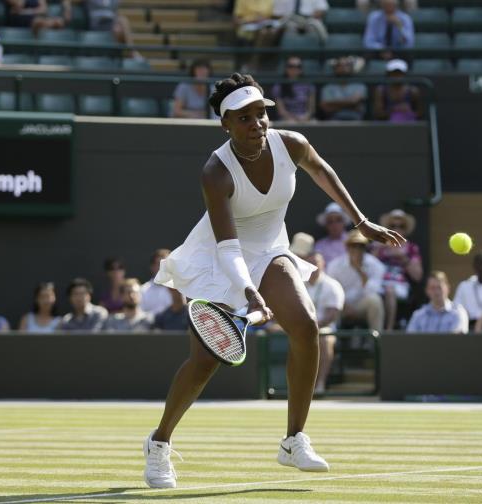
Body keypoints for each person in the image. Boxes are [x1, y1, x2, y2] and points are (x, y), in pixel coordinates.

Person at [145, 73, 406, 488]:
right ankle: (159, 443)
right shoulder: (216, 172)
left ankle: (293, 440)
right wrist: (250, 293)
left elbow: (322, 172)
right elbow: (228, 248)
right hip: (219, 257)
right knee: (204, 363)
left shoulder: (292, 143)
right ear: (225, 125)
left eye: (261, 114)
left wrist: (361, 221)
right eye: (244, 118)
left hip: (270, 249)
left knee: (305, 326)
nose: (257, 124)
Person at [290, 234, 344, 394]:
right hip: (299, 328)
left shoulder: (332, 286)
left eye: (316, 263)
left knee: (325, 341)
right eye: (309, 263)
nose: (312, 266)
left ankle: (319, 384)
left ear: (323, 264)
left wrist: (311, 328)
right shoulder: (297, 284)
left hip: (323, 330)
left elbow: (332, 315)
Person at [371, 208, 422, 329]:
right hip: (377, 282)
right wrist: (379, 249)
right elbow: (367, 264)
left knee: (389, 290)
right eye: (393, 226)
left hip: (400, 284)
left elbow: (418, 275)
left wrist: (403, 258)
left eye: (401, 226)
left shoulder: (411, 248)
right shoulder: (378, 245)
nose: (396, 229)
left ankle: (388, 330)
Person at [328, 230, 387, 331]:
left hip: (362, 305)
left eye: (361, 246)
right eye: (353, 245)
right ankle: (332, 343)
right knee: (330, 305)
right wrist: (345, 306)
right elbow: (331, 292)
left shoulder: (376, 265)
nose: (357, 249)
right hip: (341, 306)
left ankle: (375, 342)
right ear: (347, 247)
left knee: (375, 301)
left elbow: (373, 292)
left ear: (365, 248)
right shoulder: (334, 266)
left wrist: (360, 271)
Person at [454, 251, 482, 330]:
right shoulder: (465, 286)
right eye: (480, 263)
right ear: (474, 266)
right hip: (469, 326)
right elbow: (457, 308)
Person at [319, 57, 367, 121]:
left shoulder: (360, 85)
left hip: (356, 118)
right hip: (333, 119)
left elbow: (356, 103)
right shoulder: (327, 87)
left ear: (351, 68)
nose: (343, 68)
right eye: (339, 65)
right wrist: (351, 105)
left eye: (346, 65)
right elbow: (326, 108)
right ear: (334, 68)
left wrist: (333, 104)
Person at [270, 56, 316, 123]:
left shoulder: (308, 85)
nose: (294, 69)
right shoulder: (278, 86)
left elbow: (311, 108)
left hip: (305, 118)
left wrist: (306, 117)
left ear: (301, 69)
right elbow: (281, 111)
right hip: (286, 120)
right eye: (291, 66)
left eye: (298, 66)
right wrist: (292, 119)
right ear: (286, 68)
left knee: (315, 123)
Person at [314, 202, 349, 266]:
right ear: (326, 225)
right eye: (330, 221)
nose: (334, 224)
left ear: (344, 222)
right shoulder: (319, 245)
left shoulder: (354, 242)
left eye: (338, 220)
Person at [141, 249, 173, 317]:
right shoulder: (143, 290)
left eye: (166, 264)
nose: (163, 268)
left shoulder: (180, 289)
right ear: (152, 267)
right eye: (159, 264)